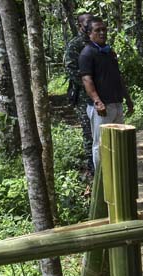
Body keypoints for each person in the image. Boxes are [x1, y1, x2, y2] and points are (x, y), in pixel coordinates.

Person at [79, 17, 134, 171]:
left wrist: (127, 99)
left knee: (117, 141)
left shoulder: (109, 52)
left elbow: (118, 76)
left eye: (104, 29)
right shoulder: (87, 53)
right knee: (101, 144)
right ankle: (101, 179)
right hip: (102, 107)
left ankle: (115, 175)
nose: (102, 33)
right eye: (98, 30)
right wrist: (97, 101)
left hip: (116, 103)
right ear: (90, 33)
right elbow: (86, 79)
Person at [63, 12, 95, 173]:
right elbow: (70, 68)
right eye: (87, 22)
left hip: (101, 93)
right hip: (83, 95)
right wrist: (87, 85)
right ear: (80, 25)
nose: (90, 24)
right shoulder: (76, 44)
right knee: (89, 131)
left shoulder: (97, 41)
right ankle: (92, 167)